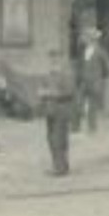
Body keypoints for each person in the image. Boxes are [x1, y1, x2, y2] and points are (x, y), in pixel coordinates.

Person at [37, 48, 77, 176]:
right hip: (50, 110)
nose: (54, 60)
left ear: (62, 59)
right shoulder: (48, 74)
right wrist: (42, 94)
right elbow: (42, 88)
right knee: (50, 138)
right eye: (51, 58)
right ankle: (58, 165)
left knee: (59, 139)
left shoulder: (67, 73)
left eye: (56, 58)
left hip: (62, 110)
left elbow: (69, 92)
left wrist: (49, 93)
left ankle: (61, 168)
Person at [73, 27, 109, 134]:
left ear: (92, 39)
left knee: (92, 107)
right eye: (84, 37)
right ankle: (75, 128)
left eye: (86, 37)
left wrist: (101, 79)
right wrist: (78, 78)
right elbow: (80, 66)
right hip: (83, 83)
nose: (84, 39)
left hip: (95, 84)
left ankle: (92, 129)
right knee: (77, 103)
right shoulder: (82, 51)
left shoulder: (100, 52)